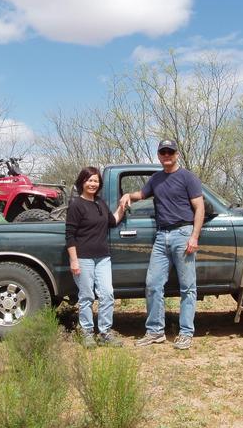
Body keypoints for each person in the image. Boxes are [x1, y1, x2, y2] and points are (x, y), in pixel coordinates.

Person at [119, 139, 204, 350]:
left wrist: (194, 236)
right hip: (161, 236)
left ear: (176, 154)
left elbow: (199, 208)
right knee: (153, 284)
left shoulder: (188, 177)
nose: (167, 155)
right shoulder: (156, 179)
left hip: (183, 233)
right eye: (163, 152)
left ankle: (185, 333)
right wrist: (128, 195)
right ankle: (155, 331)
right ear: (158, 155)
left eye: (170, 152)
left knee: (188, 287)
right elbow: (141, 194)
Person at [66, 166, 126, 348]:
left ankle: (105, 333)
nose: (93, 184)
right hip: (83, 258)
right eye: (89, 180)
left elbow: (113, 221)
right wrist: (74, 260)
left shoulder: (100, 203)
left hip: (103, 258)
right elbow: (70, 235)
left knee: (107, 294)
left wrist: (122, 206)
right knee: (86, 296)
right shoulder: (76, 204)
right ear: (82, 182)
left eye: (96, 181)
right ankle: (86, 333)